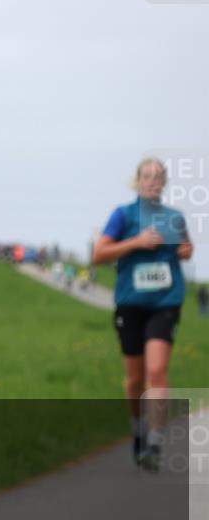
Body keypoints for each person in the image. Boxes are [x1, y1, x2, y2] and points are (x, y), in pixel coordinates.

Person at [92, 157, 194, 471]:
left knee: (157, 370)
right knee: (135, 380)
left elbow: (187, 247)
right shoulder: (122, 215)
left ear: (163, 183)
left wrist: (183, 250)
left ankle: (155, 441)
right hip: (131, 303)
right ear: (137, 181)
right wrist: (136, 242)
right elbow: (99, 254)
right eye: (146, 176)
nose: (152, 181)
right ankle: (137, 428)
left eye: (158, 177)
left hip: (165, 302)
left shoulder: (174, 217)